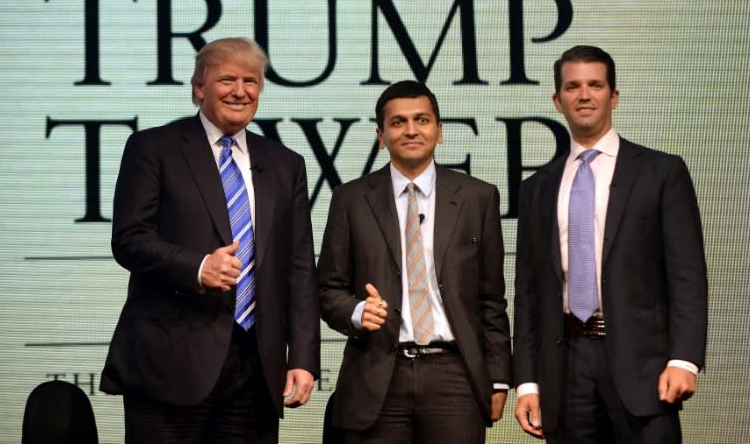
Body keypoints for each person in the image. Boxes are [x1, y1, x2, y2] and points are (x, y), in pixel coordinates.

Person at [100, 37, 320, 443]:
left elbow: (299, 267)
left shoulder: (285, 164)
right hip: (171, 364)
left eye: (251, 81)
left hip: (255, 370)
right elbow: (129, 238)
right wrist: (198, 267)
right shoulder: (154, 148)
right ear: (199, 87)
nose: (241, 91)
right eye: (227, 80)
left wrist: (304, 358)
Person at [512, 45, 708, 443]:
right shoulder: (537, 188)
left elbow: (687, 276)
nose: (584, 95)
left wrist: (684, 358)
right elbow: (529, 294)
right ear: (557, 99)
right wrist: (528, 383)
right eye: (573, 86)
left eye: (595, 85)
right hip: (564, 365)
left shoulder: (661, 172)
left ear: (613, 96)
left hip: (644, 367)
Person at [318, 80, 511, 444]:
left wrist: (499, 377)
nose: (410, 130)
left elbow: (491, 299)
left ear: (439, 131)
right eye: (398, 122)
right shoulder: (351, 199)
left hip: (453, 374)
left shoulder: (477, 197)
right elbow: (327, 289)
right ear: (381, 136)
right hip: (377, 371)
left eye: (422, 120)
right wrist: (357, 312)